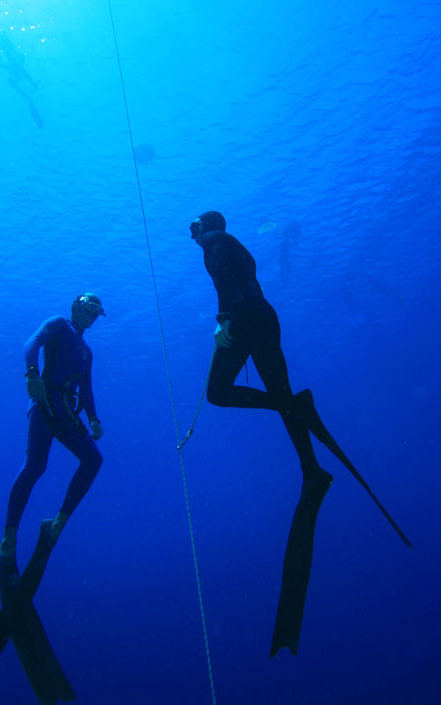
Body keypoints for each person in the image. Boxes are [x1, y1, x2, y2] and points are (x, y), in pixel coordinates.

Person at [189, 210, 334, 656]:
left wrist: (224, 320)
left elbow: (228, 281)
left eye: (194, 226)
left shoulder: (214, 244)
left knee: (217, 392)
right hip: (265, 317)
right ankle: (311, 468)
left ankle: (291, 412)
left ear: (207, 226)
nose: (192, 233)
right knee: (283, 391)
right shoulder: (229, 245)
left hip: (247, 317)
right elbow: (242, 275)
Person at [0, 293, 105, 565]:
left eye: (96, 312)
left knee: (93, 459)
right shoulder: (58, 324)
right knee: (35, 466)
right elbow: (30, 343)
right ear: (76, 307)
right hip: (44, 402)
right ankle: (9, 538)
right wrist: (32, 373)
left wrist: (93, 419)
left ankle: (58, 522)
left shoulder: (87, 353)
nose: (91, 316)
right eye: (89, 308)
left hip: (67, 411)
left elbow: (86, 390)